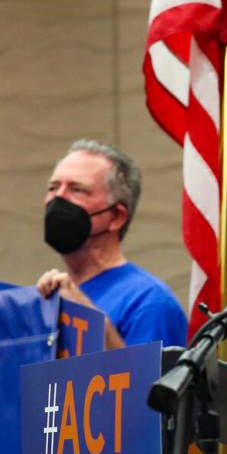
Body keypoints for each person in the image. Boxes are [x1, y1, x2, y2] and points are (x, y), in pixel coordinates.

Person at [36, 139, 188, 349]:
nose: (58, 198)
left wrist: (90, 322)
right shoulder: (51, 297)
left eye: (77, 189)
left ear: (116, 216)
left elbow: (143, 381)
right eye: (53, 188)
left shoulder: (149, 302)